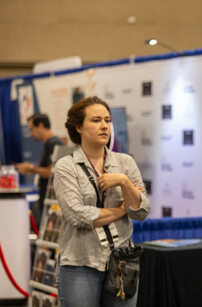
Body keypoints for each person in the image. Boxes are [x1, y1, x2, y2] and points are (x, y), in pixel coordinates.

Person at [53, 96, 150, 307]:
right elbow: (78, 216)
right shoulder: (66, 166)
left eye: (107, 120)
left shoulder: (125, 162)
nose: (104, 126)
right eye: (96, 120)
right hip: (81, 262)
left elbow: (141, 211)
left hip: (122, 261)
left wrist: (124, 182)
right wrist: (123, 209)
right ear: (78, 127)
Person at [16, 113, 63, 227]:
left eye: (31, 129)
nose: (31, 134)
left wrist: (31, 169)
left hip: (53, 203)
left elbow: (52, 172)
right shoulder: (50, 144)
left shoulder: (54, 143)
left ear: (41, 125)